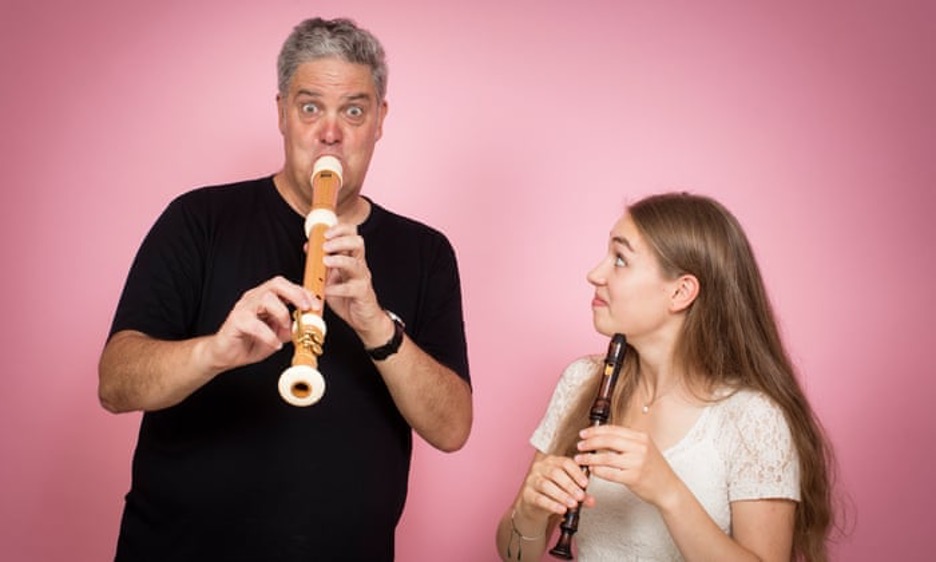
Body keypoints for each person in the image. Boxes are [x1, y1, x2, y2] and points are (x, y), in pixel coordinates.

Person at [98, 17, 472, 561]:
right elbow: (115, 384)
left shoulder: (427, 252)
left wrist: (375, 325)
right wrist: (215, 352)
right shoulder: (198, 219)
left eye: (353, 110)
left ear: (379, 120)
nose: (331, 132)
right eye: (310, 106)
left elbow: (452, 427)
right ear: (282, 114)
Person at [496, 193, 835, 561]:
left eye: (620, 259)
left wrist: (668, 492)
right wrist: (529, 513)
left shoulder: (753, 418)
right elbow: (514, 555)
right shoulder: (581, 382)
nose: (595, 274)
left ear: (681, 291)